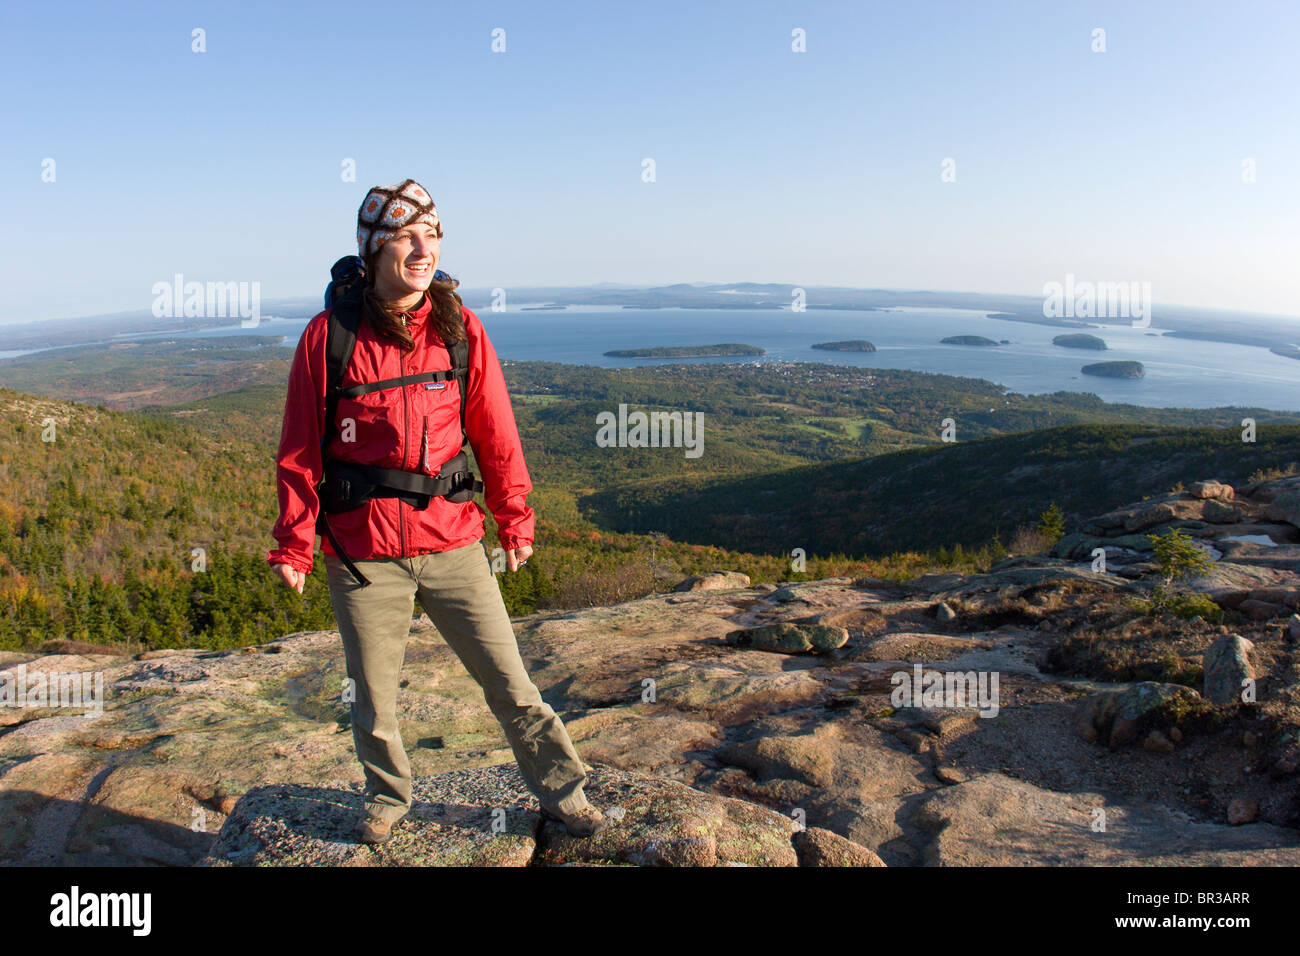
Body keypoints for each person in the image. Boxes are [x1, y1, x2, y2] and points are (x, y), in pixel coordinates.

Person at [268, 178, 607, 844]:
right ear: (373, 249)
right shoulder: (329, 337)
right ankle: (388, 798)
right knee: (374, 696)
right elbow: (300, 449)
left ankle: (568, 794)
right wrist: (292, 542)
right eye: (407, 236)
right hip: (362, 551)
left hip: (451, 541)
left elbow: (496, 432)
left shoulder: (458, 329)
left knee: (510, 684)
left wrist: (515, 518)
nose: (424, 249)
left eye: (434, 236)